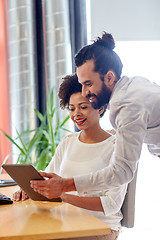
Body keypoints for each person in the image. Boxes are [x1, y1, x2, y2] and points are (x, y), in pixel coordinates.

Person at [30, 31, 160, 198]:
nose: (85, 92)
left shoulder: (127, 107)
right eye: (82, 84)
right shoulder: (135, 84)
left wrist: (65, 185)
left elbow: (122, 171)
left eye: (88, 84)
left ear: (110, 77)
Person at [13, 74, 127, 240]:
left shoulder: (116, 147)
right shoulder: (68, 142)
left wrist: (62, 195)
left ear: (100, 108)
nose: (76, 114)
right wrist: (31, 188)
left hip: (100, 226)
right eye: (72, 109)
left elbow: (111, 204)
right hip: (66, 221)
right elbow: (48, 177)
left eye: (83, 107)